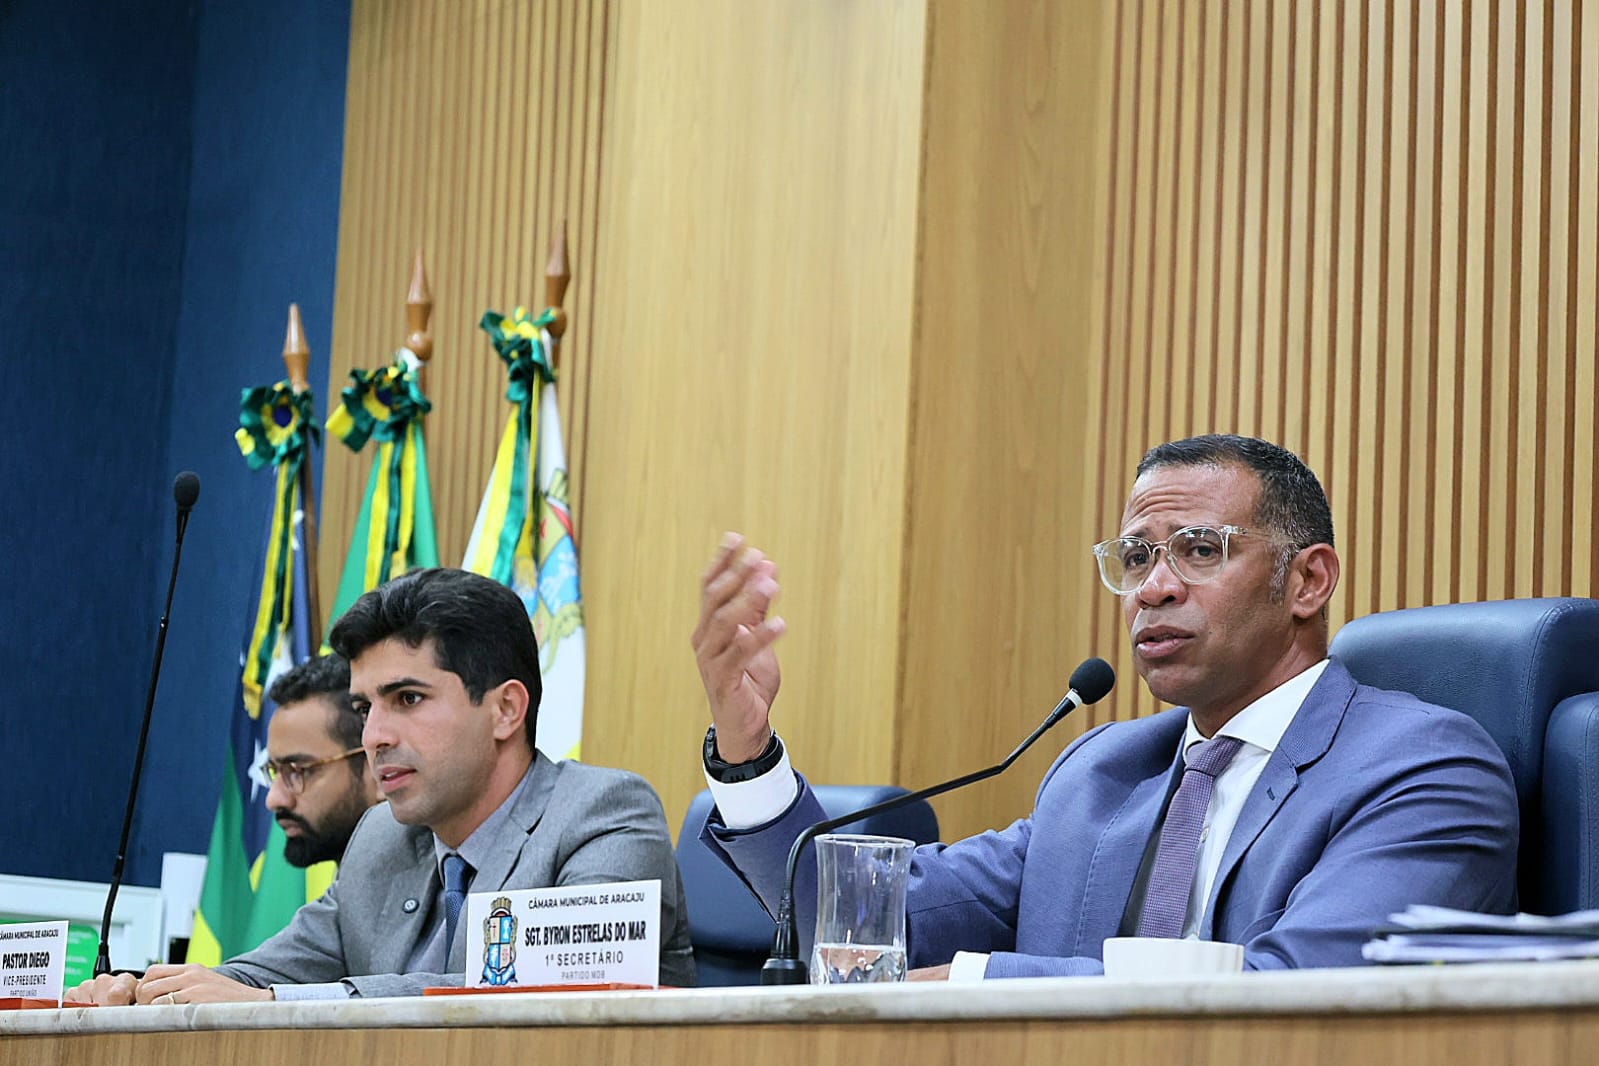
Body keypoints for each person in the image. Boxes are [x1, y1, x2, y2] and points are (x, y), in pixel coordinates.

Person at [692, 434, 1518, 979]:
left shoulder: (1422, 769)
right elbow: (868, 924)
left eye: (1199, 551)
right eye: (1134, 557)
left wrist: (983, 984)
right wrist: (746, 745)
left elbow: (1294, 996)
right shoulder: (1103, 771)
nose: (1152, 588)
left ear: (1307, 580)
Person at [71, 567, 694, 1004]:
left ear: (506, 709)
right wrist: (145, 989)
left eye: (408, 699)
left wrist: (280, 1002)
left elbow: (540, 996)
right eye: (365, 708)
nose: (374, 736)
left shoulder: (604, 815)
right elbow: (261, 974)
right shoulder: (381, 838)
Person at [261, 654, 383, 868]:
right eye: (274, 770)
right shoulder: (352, 889)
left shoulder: (443, 883)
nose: (274, 799)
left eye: (298, 771)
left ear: (377, 765)